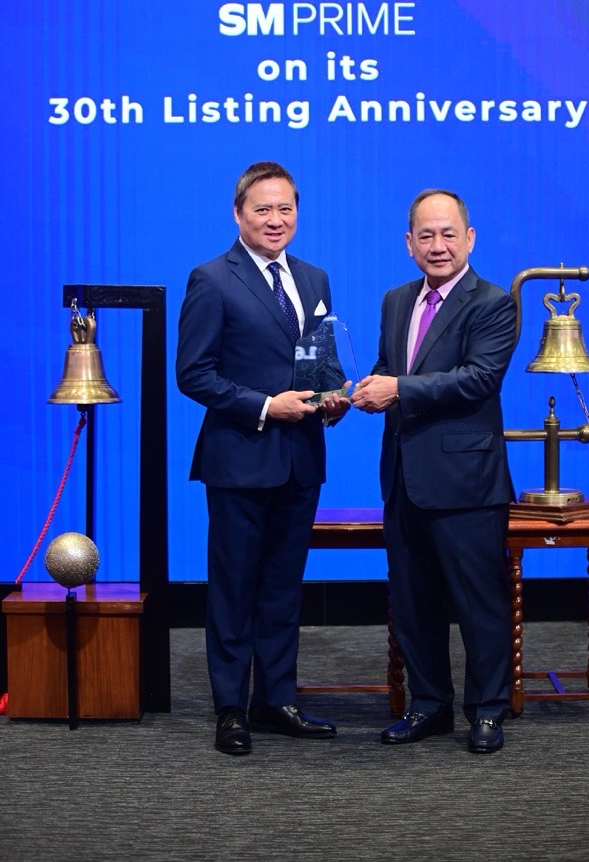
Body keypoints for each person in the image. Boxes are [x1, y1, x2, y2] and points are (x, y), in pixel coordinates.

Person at [176, 161, 348, 756]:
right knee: (233, 589)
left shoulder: (315, 278)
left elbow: (320, 364)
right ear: (238, 214)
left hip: (301, 458)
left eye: (285, 209)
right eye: (263, 209)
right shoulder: (211, 279)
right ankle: (231, 707)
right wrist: (267, 406)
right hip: (240, 457)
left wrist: (332, 398)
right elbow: (193, 374)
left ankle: (275, 699)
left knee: (282, 587)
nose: (276, 220)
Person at [351, 189, 516, 754]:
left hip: (467, 483)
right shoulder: (396, 300)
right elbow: (389, 367)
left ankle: (487, 711)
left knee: (478, 603)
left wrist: (396, 389)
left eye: (448, 234)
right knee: (413, 602)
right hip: (403, 477)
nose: (437, 245)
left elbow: (478, 379)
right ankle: (428, 705)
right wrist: (359, 390)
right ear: (409, 243)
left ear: (470, 238)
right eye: (426, 235)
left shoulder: (492, 302)